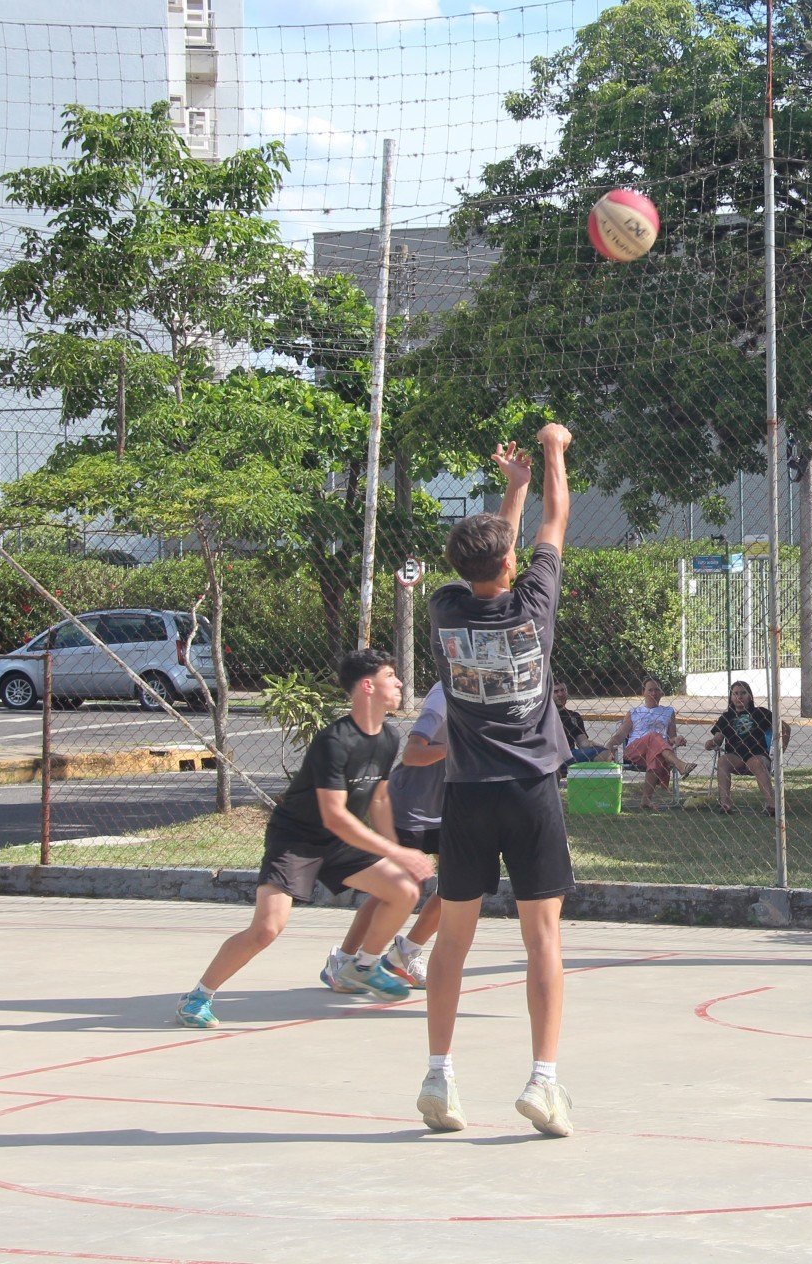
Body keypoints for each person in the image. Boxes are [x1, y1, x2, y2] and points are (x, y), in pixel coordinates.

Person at [421, 426, 579, 1138]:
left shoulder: (445, 612)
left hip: (467, 794)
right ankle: (544, 1082)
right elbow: (558, 519)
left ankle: (439, 1075)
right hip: (531, 789)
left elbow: (501, 549)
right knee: (541, 939)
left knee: (451, 942)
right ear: (513, 566)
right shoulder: (534, 607)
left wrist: (510, 491)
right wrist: (552, 453)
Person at [176, 649, 433, 1028]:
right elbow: (335, 815)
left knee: (404, 889)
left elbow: (378, 799)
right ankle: (198, 996)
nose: (398, 683)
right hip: (296, 839)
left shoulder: (389, 737)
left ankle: (360, 967)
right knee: (266, 929)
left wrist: (398, 854)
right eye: (391, 675)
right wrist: (396, 850)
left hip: (340, 842)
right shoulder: (335, 741)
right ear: (367, 686)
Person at [324, 681, 448, 990]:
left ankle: (405, 954)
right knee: (394, 889)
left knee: (458, 886)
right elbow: (413, 754)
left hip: (452, 805)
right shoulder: (444, 694)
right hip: (412, 804)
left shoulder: (497, 695)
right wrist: (460, 747)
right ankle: (344, 960)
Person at [602, 676, 694, 805]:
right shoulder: (634, 712)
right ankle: (679, 764)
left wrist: (676, 739)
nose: (653, 693)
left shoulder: (668, 711)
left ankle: (646, 800)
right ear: (643, 692)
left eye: (657, 690)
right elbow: (621, 734)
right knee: (653, 735)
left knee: (656, 755)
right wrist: (609, 747)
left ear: (662, 692)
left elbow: (671, 736)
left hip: (657, 752)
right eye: (650, 690)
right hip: (635, 751)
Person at [704, 679, 774, 815]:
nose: (739, 696)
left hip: (757, 754)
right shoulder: (726, 717)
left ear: (750, 696)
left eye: (743, 693)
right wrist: (711, 743)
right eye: (735, 693)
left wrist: (781, 748)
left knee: (757, 762)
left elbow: (784, 728)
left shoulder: (761, 713)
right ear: (731, 697)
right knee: (723, 761)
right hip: (735, 755)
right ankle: (725, 803)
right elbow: (718, 738)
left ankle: (772, 804)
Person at [554, 682, 603, 766]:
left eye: (563, 690)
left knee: (604, 753)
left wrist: (599, 746)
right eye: (555, 691)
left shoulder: (574, 716)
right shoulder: (542, 715)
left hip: (569, 754)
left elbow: (583, 742)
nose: (560, 694)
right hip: (547, 755)